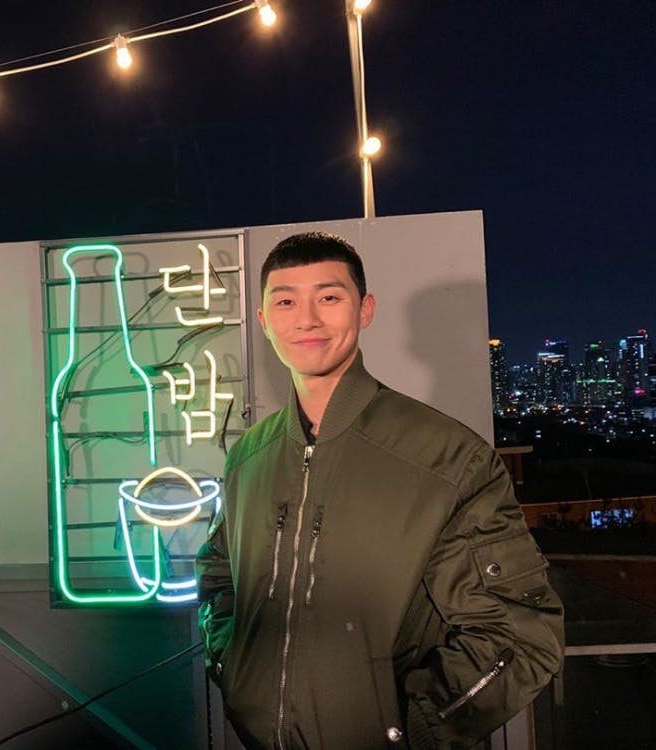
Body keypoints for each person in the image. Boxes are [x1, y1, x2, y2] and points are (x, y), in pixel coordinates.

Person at [196, 232, 563, 749]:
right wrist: (234, 671)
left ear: (365, 309)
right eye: (285, 301)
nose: (306, 319)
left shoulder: (446, 457)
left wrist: (415, 727)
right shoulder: (248, 457)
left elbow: (520, 633)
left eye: (329, 297)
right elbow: (218, 579)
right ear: (263, 320)